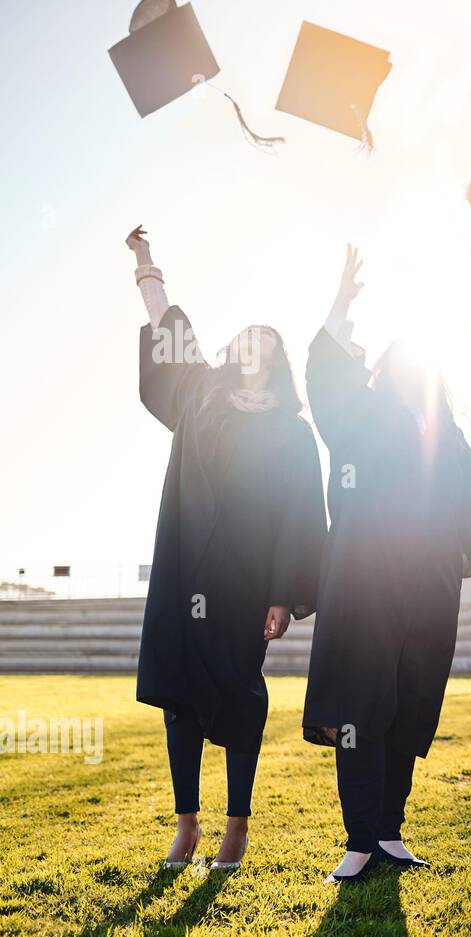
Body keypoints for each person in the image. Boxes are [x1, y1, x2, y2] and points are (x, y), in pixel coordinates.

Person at [127, 225, 326, 871]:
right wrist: (147, 264)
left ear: (276, 358)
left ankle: (235, 826)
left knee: (240, 693)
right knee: (179, 691)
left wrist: (283, 594)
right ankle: (187, 824)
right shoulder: (201, 392)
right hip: (186, 564)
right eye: (246, 338)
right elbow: (167, 331)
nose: (252, 347)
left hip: (244, 581)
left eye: (265, 342)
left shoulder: (291, 431)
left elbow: (300, 514)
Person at [303, 246, 471, 884]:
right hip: (363, 583)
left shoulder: (446, 430)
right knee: (363, 703)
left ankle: (388, 831)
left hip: (428, 588)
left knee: (411, 704)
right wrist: (342, 304)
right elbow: (325, 376)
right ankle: (358, 839)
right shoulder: (357, 415)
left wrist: (450, 545)